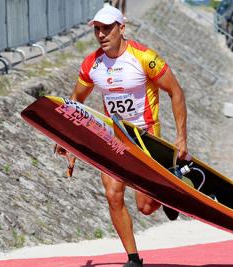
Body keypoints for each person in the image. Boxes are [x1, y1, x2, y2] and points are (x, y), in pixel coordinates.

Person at [56, 5, 188, 267]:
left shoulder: (144, 58)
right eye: (97, 29)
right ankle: (133, 259)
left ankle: (170, 190)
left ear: (122, 28)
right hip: (114, 138)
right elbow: (75, 103)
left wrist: (181, 137)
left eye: (107, 28)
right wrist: (67, 143)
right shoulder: (92, 64)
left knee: (145, 207)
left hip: (146, 136)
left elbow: (176, 92)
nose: (102, 34)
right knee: (113, 193)